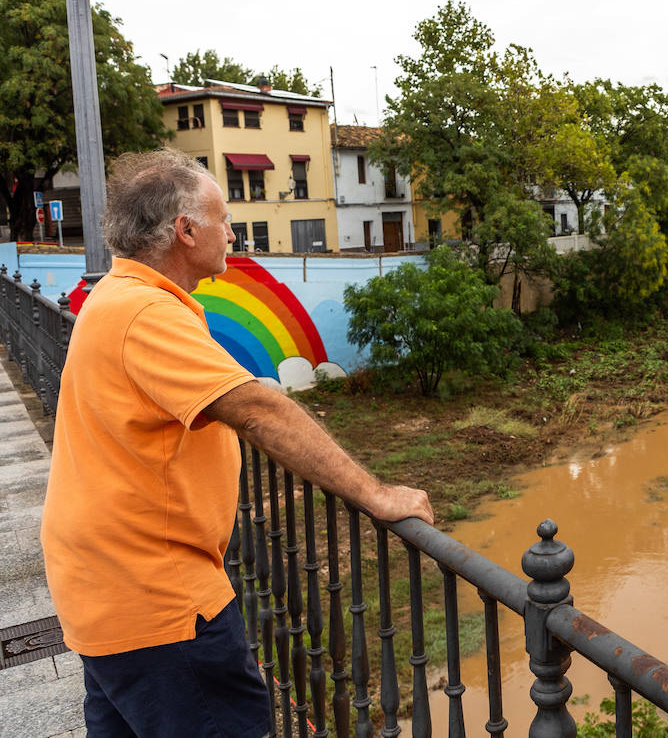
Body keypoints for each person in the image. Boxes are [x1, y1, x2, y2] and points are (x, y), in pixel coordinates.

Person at [41, 149, 433, 737]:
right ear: (185, 230)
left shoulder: (115, 297)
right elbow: (255, 407)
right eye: (222, 219)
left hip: (102, 592)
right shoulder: (146, 313)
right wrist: (376, 496)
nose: (231, 232)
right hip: (159, 604)